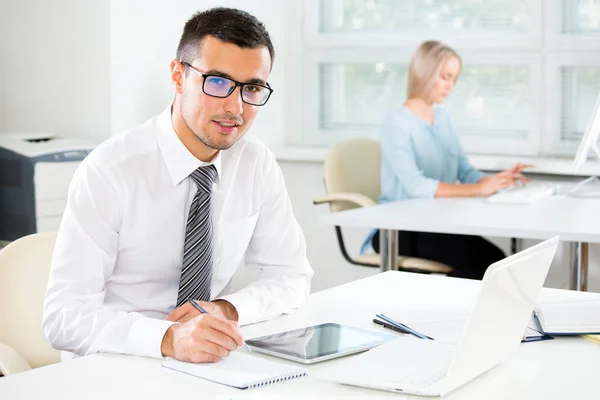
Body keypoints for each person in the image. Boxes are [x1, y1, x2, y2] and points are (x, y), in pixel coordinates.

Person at [42, 7, 313, 364]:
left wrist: (225, 309)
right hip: (114, 365)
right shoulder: (110, 171)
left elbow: (290, 276)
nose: (235, 107)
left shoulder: (255, 163)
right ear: (178, 76)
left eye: (252, 88)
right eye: (217, 82)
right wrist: (168, 338)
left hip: (204, 365)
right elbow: (63, 317)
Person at [370, 40, 531, 280]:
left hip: (437, 223)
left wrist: (496, 181)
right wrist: (478, 189)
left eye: (454, 79)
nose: (450, 86)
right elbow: (416, 186)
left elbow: (463, 169)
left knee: (498, 260)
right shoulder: (397, 124)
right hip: (402, 227)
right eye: (445, 77)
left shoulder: (442, 117)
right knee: (484, 264)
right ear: (424, 73)